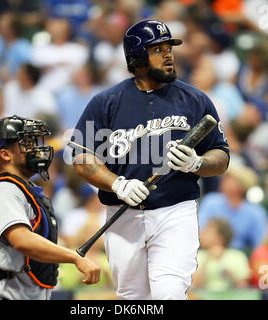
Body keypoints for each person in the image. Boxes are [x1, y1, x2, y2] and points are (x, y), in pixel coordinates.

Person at [69, 20, 230, 300]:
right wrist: (118, 184)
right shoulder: (106, 101)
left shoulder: (195, 99)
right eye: (158, 49)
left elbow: (221, 155)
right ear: (137, 58)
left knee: (168, 291)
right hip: (123, 215)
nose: (168, 55)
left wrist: (197, 163)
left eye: (169, 48)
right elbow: (81, 156)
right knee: (132, 298)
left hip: (175, 211)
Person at [0, 115, 100, 300]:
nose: (36, 149)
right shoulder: (4, 190)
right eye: (26, 143)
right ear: (5, 154)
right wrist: (75, 257)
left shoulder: (26, 189)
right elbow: (22, 240)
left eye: (34, 142)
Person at [198, 164, 268, 252]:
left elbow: (261, 243)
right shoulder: (211, 201)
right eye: (225, 179)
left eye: (229, 179)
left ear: (242, 184)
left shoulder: (256, 211)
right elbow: (199, 232)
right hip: (209, 251)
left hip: (239, 254)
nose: (224, 181)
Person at [193, 218, 251, 292]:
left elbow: (244, 288)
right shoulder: (197, 256)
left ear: (220, 237)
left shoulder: (238, 256)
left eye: (208, 232)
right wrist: (207, 259)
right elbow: (194, 286)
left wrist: (231, 277)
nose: (202, 234)